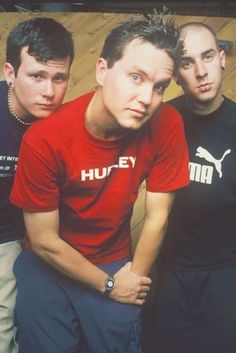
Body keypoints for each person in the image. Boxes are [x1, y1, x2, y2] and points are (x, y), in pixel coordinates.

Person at [10, 14, 189, 353]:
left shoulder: (167, 124)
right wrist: (109, 286)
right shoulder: (44, 139)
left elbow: (157, 216)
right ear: (102, 70)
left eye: (159, 86)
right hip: (49, 262)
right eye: (135, 77)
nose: (146, 97)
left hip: (114, 258)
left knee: (119, 341)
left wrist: (132, 279)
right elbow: (44, 240)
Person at [152, 22, 236, 353]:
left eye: (208, 56)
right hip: (171, 271)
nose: (201, 71)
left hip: (226, 268)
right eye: (187, 63)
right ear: (175, 73)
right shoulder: (159, 120)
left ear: (223, 58)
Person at [0, 17, 74, 353]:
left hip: (20, 235)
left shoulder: (65, 127)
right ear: (10, 74)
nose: (49, 92)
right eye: (37, 76)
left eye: (59, 78)